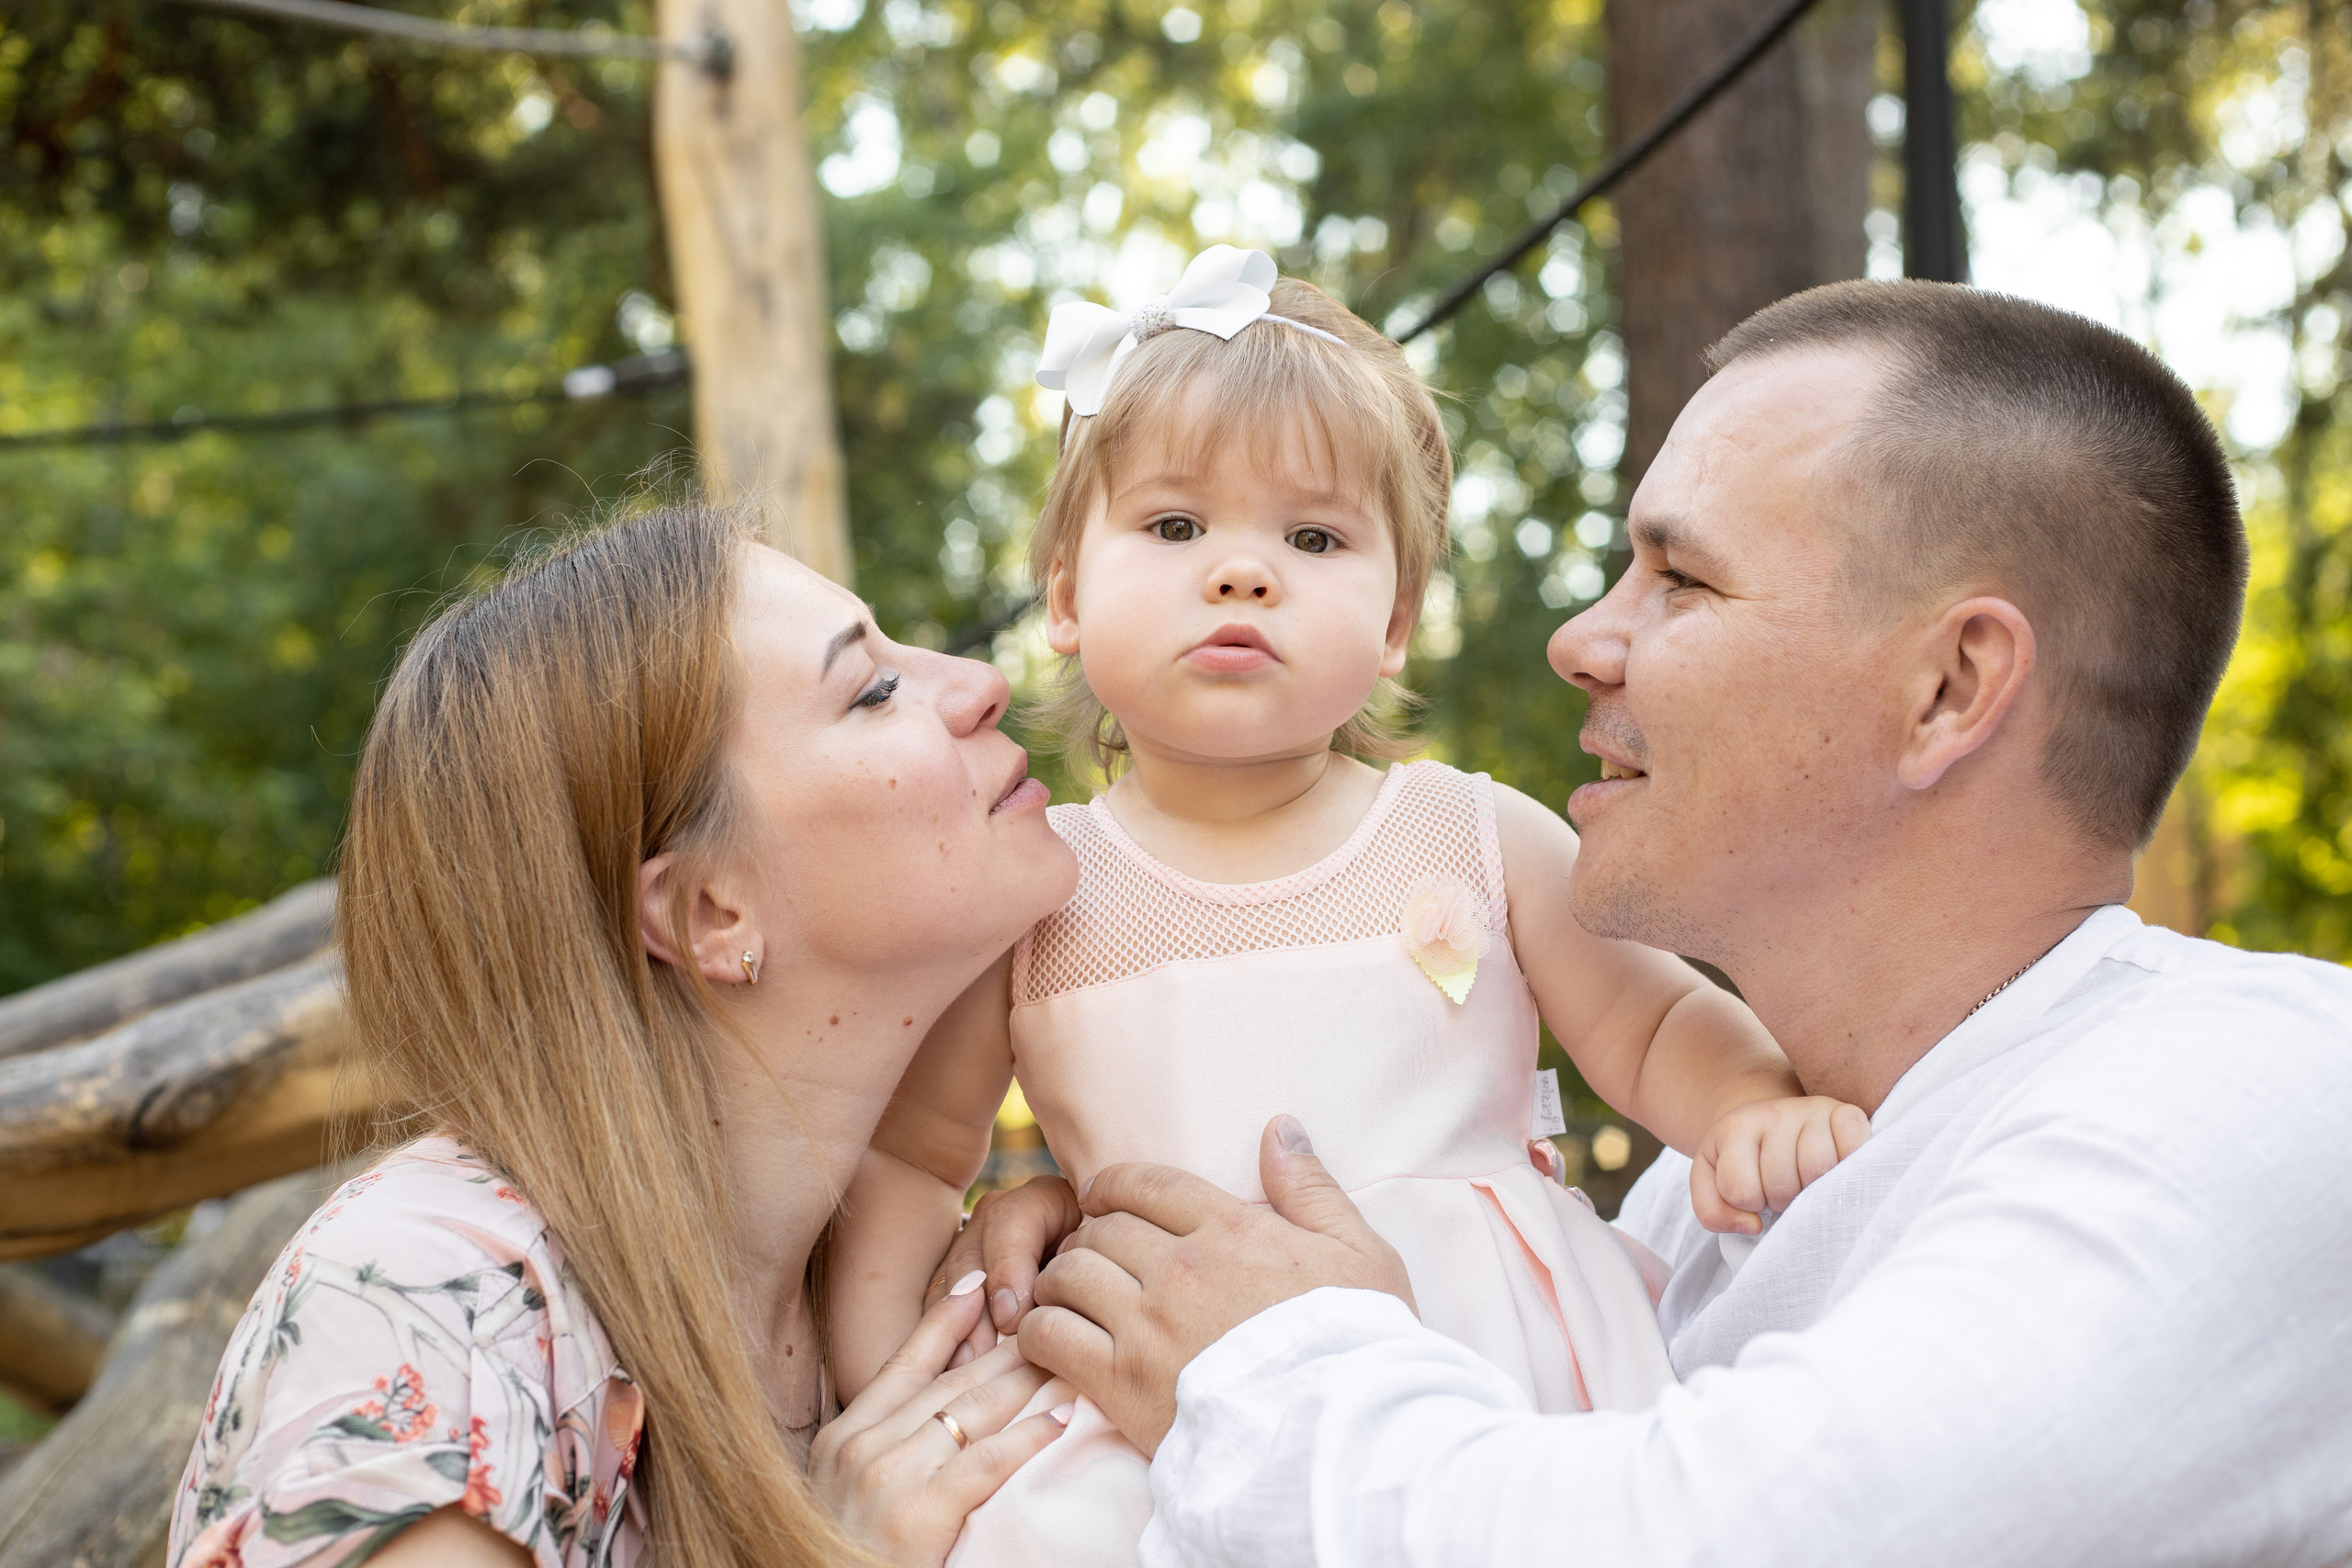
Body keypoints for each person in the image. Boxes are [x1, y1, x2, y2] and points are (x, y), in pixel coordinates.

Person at [978, 281, 2352, 1566]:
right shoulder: (1677, 1227)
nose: (1578, 637)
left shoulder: (2251, 1094)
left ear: (1949, 685)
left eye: (1677, 581)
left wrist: (1249, 1349)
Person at [827, 247, 1866, 1565]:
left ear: (1393, 622)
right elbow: (915, 1161)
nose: (1243, 572)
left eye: (1313, 539)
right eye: (1175, 526)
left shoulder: (1477, 834)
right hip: (1148, 1387)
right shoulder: (1041, 887)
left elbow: (1654, 1029)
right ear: (1069, 599)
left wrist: (1750, 1112)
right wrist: (899, 1377)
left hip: (1476, 1356)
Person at [168, 505, 1082, 1568]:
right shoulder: (436, 1303)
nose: (980, 684)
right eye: (872, 689)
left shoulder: (872, 1295)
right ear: (708, 914)